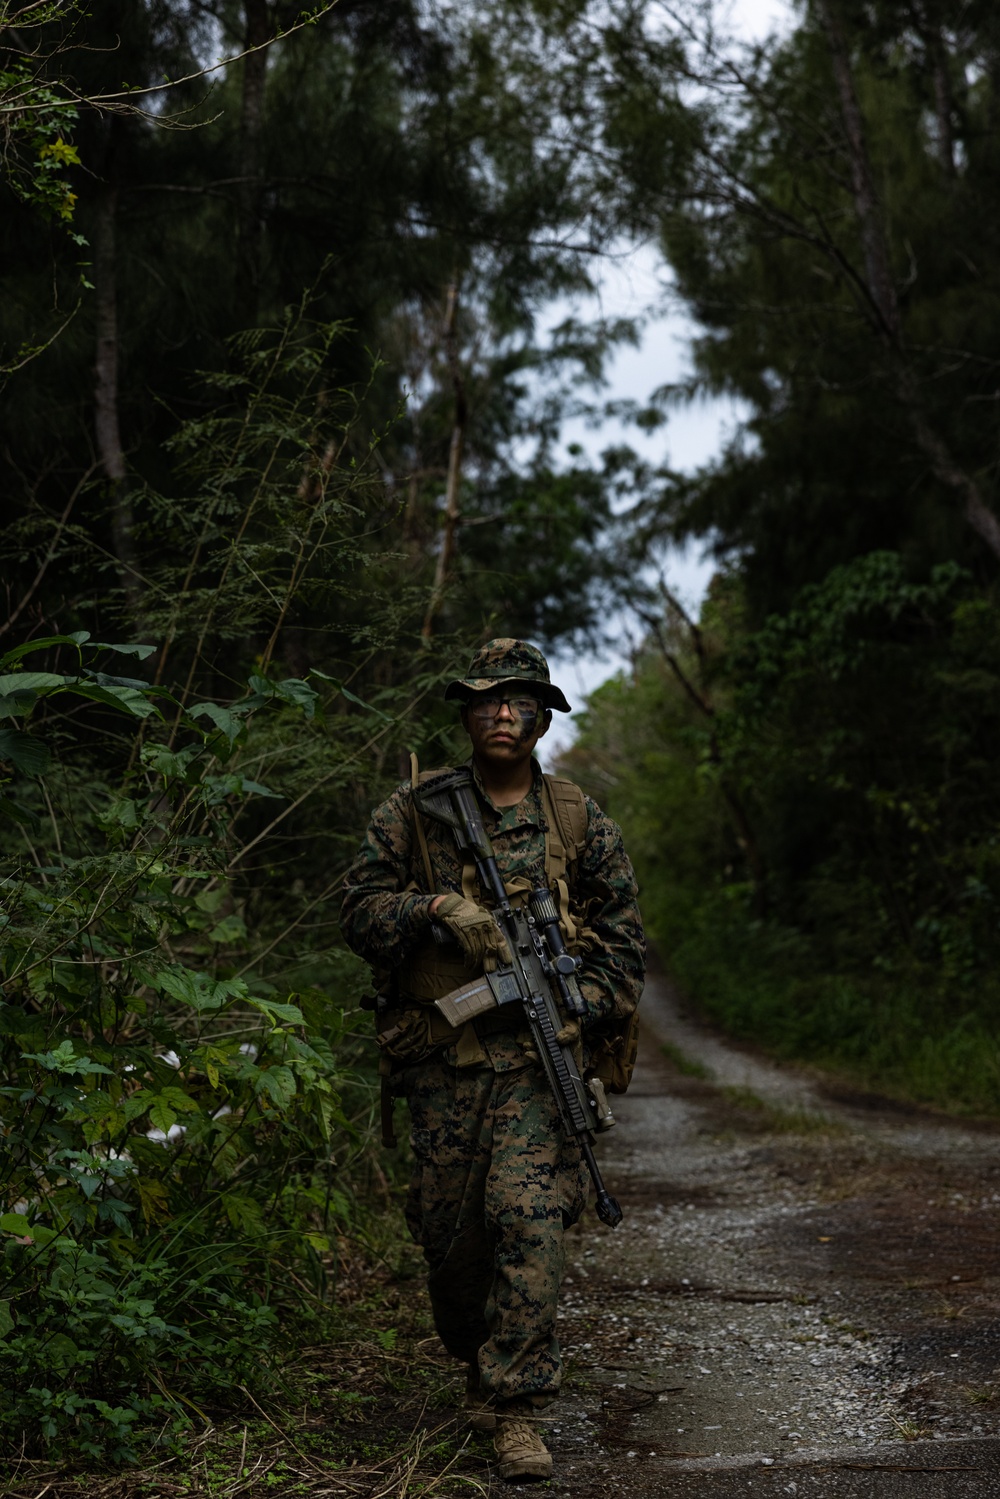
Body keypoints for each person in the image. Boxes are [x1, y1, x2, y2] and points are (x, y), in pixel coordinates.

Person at [340, 638, 645, 1483]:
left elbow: (624, 947)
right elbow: (357, 911)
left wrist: (573, 1003)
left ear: (544, 716)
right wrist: (434, 907)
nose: (501, 711)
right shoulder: (415, 811)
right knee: (450, 1244)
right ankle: (477, 1358)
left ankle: (517, 1408)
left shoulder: (579, 820)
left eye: (518, 699)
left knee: (529, 1222)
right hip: (441, 1063)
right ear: (467, 714)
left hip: (539, 1072)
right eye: (486, 699)